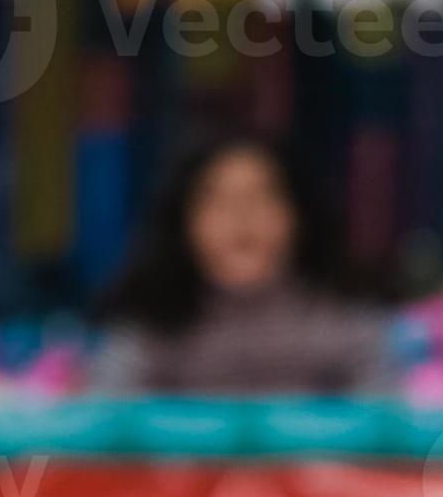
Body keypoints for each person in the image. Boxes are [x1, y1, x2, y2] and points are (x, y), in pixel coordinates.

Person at [94, 133, 391, 396]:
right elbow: (108, 425)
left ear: (297, 215)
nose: (241, 217)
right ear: (183, 224)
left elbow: (384, 426)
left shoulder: (346, 317)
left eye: (261, 196)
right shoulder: (150, 322)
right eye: (218, 201)